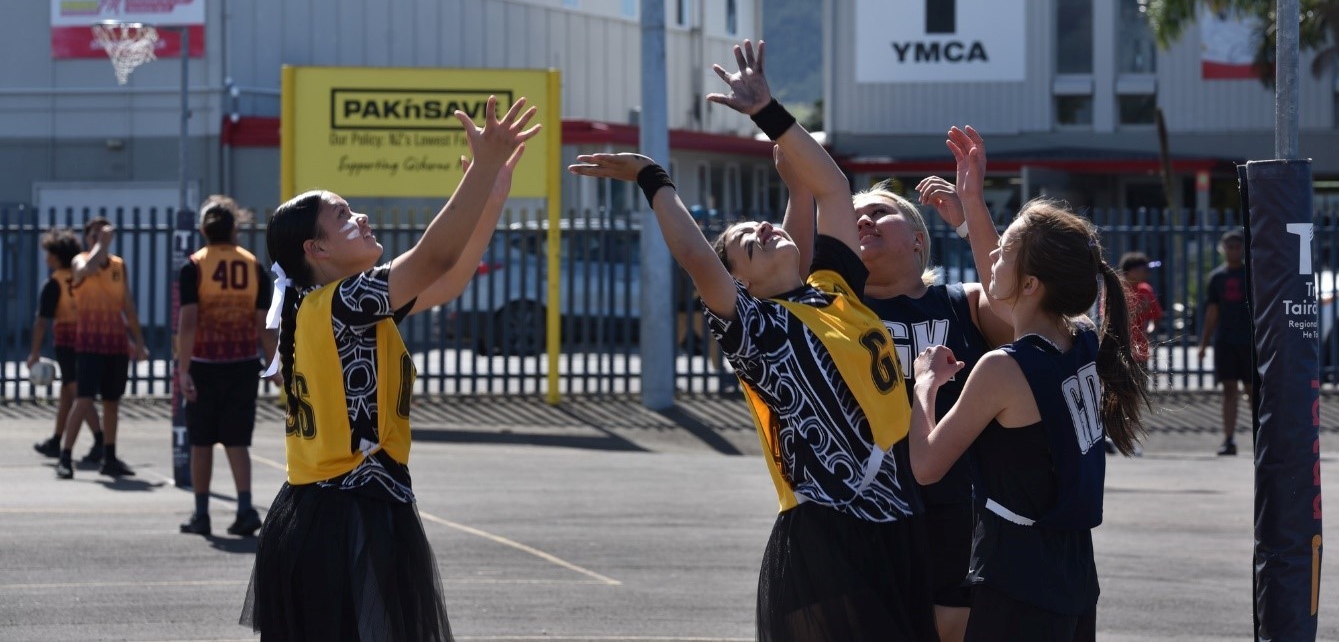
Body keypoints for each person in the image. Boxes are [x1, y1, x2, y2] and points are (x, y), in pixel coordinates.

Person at [571, 40, 939, 642]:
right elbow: (697, 257)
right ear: (739, 283)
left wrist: (769, 113)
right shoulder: (758, 329)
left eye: (760, 226)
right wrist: (652, 177)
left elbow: (833, 188)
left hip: (895, 517)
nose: (763, 230)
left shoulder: (836, 290)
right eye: (747, 243)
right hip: (827, 534)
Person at [240, 96, 539, 642]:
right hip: (347, 514)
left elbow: (447, 280)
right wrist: (483, 170)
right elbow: (433, 259)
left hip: (327, 507)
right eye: (343, 217)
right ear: (316, 249)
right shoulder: (345, 301)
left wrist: (491, 196)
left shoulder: (326, 305)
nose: (360, 217)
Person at [907, 125, 1150, 642]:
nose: (993, 255)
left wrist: (924, 386)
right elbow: (1005, 293)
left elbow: (927, 466)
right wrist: (972, 205)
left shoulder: (1002, 369)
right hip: (1073, 573)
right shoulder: (1081, 337)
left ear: (1033, 283)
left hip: (1018, 578)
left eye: (1005, 249)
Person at [848, 177, 1014, 642]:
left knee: (949, 626)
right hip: (864, 504)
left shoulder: (964, 303)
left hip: (956, 504)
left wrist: (969, 219)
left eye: (880, 213)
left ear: (918, 239)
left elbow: (1016, 308)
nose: (864, 220)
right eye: (854, 217)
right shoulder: (834, 312)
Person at [176, 195, 277, 538]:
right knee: (237, 441)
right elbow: (264, 325)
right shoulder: (253, 266)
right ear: (235, 228)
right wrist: (273, 365)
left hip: (204, 363)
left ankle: (201, 513)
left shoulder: (193, 267)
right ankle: (245, 508)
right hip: (243, 363)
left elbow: (188, 322)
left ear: (204, 230)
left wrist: (183, 369)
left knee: (201, 442)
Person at [56, 217, 149, 480]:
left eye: (103, 234)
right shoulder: (80, 260)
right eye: (94, 235)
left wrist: (139, 342)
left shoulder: (118, 265)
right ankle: (65, 456)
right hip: (89, 343)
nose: (99, 238)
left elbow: (127, 305)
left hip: (115, 344)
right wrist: (101, 244)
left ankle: (110, 457)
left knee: (111, 402)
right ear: (87, 238)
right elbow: (85, 270)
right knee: (84, 399)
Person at [29, 227, 102, 461]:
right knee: (67, 393)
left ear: (57, 256)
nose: (46, 258)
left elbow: (42, 321)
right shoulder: (82, 276)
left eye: (49, 253)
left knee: (78, 392)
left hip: (67, 341)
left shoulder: (54, 283)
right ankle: (56, 440)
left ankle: (100, 439)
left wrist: (34, 352)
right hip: (88, 336)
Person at [1197, 229, 1253, 456]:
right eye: (1229, 247)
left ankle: (1261, 437)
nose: (1233, 251)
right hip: (1226, 341)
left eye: (1237, 247)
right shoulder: (1217, 278)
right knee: (1229, 389)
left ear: (1243, 249)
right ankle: (1229, 439)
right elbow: (1212, 312)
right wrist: (1204, 343)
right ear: (1223, 249)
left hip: (1249, 341)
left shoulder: (1251, 275)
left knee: (1252, 389)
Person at [1118, 252, 1164, 364]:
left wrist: (1149, 331)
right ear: (1132, 271)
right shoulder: (1117, 290)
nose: (1146, 273)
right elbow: (1108, 317)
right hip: (1118, 351)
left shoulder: (1145, 290)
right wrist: (1137, 310)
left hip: (1140, 352)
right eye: (1144, 270)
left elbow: (1157, 316)